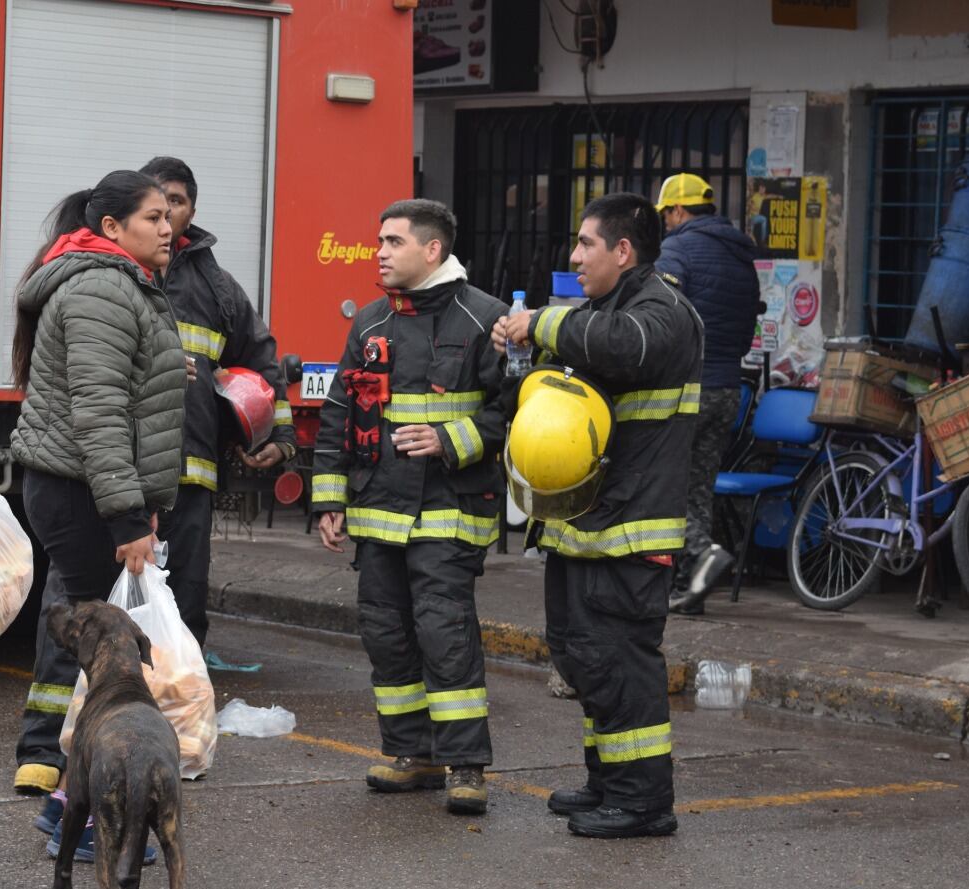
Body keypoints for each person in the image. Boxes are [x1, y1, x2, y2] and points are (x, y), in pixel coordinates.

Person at [492, 191, 703, 839]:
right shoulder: (600, 310)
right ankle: (608, 780)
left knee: (622, 659)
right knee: (583, 656)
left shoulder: (661, 310)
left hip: (632, 529)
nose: (574, 256)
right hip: (583, 523)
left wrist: (542, 323)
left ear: (623, 250)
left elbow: (623, 347)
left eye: (586, 244)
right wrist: (518, 351)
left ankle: (644, 802)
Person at [8, 170, 186, 862]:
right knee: (106, 666)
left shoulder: (119, 284)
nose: (167, 226)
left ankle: (69, 811)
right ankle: (79, 819)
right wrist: (126, 520)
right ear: (111, 228)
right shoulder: (104, 288)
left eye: (170, 214)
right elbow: (100, 413)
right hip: (84, 494)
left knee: (96, 660)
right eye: (151, 216)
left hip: (87, 490)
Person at [310, 199, 508, 816]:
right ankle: (411, 755)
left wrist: (450, 440)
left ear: (433, 250)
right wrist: (328, 498)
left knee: (444, 635)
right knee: (387, 635)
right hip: (376, 513)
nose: (380, 252)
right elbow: (340, 414)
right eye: (379, 241)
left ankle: (466, 766)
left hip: (449, 511)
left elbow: (515, 411)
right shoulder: (369, 323)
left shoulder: (486, 320)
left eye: (393, 241)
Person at [139, 156, 297, 650]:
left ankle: (183, 702)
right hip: (121, 471)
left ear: (191, 210)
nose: (167, 213)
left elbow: (262, 363)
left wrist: (281, 438)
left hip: (190, 472)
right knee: (114, 594)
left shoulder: (218, 288)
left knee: (185, 597)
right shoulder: (114, 273)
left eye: (177, 202)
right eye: (157, 202)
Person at [653, 173, 761, 615]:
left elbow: (662, 316)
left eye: (665, 215)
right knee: (698, 488)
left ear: (678, 211)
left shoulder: (676, 250)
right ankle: (689, 591)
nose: (663, 224)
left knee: (661, 486)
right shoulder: (741, 256)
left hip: (686, 387)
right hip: (727, 389)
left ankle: (701, 552)